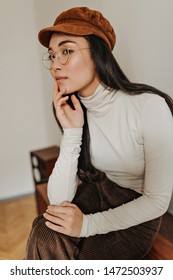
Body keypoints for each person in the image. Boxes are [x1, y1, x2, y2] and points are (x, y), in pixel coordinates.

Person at [25, 6, 173, 260]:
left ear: (97, 53)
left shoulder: (149, 106)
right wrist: (71, 132)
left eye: (67, 51)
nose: (55, 66)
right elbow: (58, 201)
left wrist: (87, 225)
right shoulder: (74, 110)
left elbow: (158, 200)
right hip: (102, 188)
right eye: (52, 55)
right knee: (45, 229)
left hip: (141, 209)